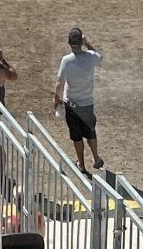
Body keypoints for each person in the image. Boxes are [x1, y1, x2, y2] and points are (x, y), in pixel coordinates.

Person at [53, 25, 105, 174]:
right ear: (81, 42)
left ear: (69, 43)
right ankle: (96, 158)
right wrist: (88, 43)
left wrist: (56, 99)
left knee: (76, 136)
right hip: (87, 103)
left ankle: (81, 164)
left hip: (72, 104)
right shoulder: (91, 57)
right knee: (90, 132)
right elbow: (99, 57)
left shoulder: (67, 61)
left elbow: (59, 83)